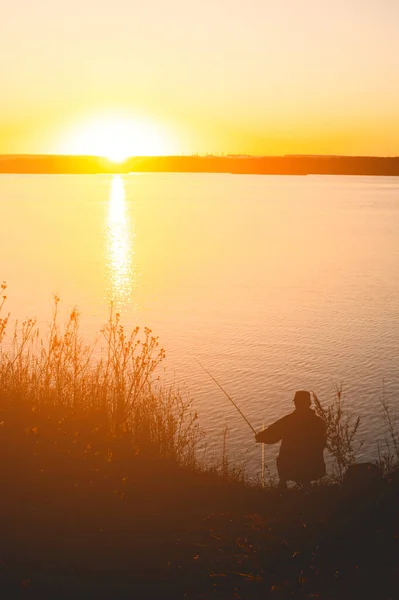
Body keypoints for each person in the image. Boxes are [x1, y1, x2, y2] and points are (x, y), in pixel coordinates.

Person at [255, 390, 326, 489]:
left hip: (291, 466)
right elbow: (323, 443)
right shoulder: (319, 422)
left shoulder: (288, 421)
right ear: (309, 403)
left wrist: (261, 437)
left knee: (282, 459)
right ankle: (307, 487)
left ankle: (282, 487)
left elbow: (272, 436)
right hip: (313, 467)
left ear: (296, 403)